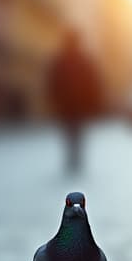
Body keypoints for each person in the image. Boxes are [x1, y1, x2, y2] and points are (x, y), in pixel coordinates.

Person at [47, 29, 103, 173]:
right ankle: (75, 157)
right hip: (77, 104)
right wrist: (93, 103)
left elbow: (53, 81)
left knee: (70, 131)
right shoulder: (82, 60)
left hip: (68, 103)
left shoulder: (61, 60)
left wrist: (54, 99)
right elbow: (93, 82)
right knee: (76, 131)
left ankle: (73, 157)